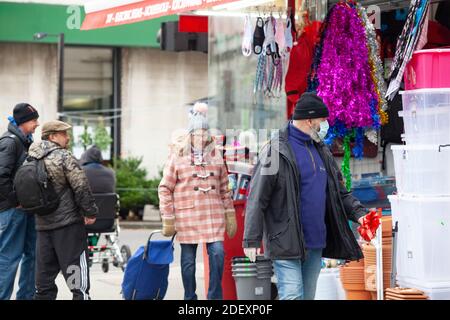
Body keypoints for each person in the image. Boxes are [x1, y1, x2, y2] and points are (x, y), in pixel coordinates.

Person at [243, 92, 371, 300]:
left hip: (315, 242)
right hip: (285, 242)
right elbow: (257, 197)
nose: (325, 125)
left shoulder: (322, 151)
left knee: (306, 297)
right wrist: (251, 239)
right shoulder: (274, 151)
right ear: (310, 120)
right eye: (322, 120)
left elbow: (339, 193)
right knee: (292, 295)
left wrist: (360, 214)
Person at [158, 103, 237, 300]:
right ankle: (189, 297)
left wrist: (230, 215)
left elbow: (224, 188)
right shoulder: (177, 156)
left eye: (204, 134)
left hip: (213, 215)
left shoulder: (215, 155)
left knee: (218, 254)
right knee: (188, 261)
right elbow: (164, 187)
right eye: (197, 134)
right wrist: (168, 216)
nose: (201, 138)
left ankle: (214, 297)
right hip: (187, 215)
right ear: (190, 136)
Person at [28, 120, 98, 300]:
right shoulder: (64, 157)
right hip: (68, 228)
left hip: (43, 227)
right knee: (76, 278)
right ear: (52, 136)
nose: (67, 137)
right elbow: (81, 186)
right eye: (64, 134)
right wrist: (90, 212)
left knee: (43, 284)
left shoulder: (30, 158)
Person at [0, 103, 40, 300]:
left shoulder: (25, 142)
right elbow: (1, 176)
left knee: (33, 256)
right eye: (34, 120)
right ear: (23, 122)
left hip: (27, 210)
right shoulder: (10, 142)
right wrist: (15, 201)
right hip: (13, 210)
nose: (37, 124)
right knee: (9, 259)